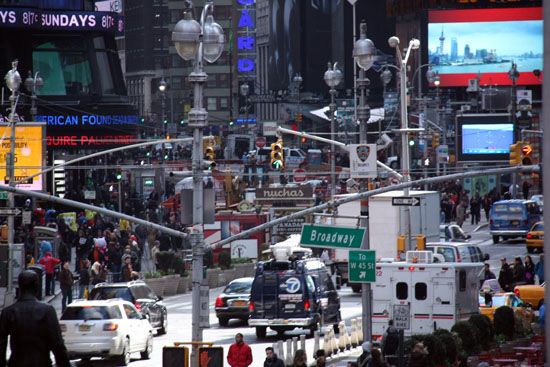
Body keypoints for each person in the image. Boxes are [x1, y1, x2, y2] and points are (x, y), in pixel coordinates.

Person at [0, 270, 71, 367]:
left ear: (20, 286)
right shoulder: (47, 310)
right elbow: (57, 344)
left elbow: (1, 344)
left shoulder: (8, 312)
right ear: (36, 286)